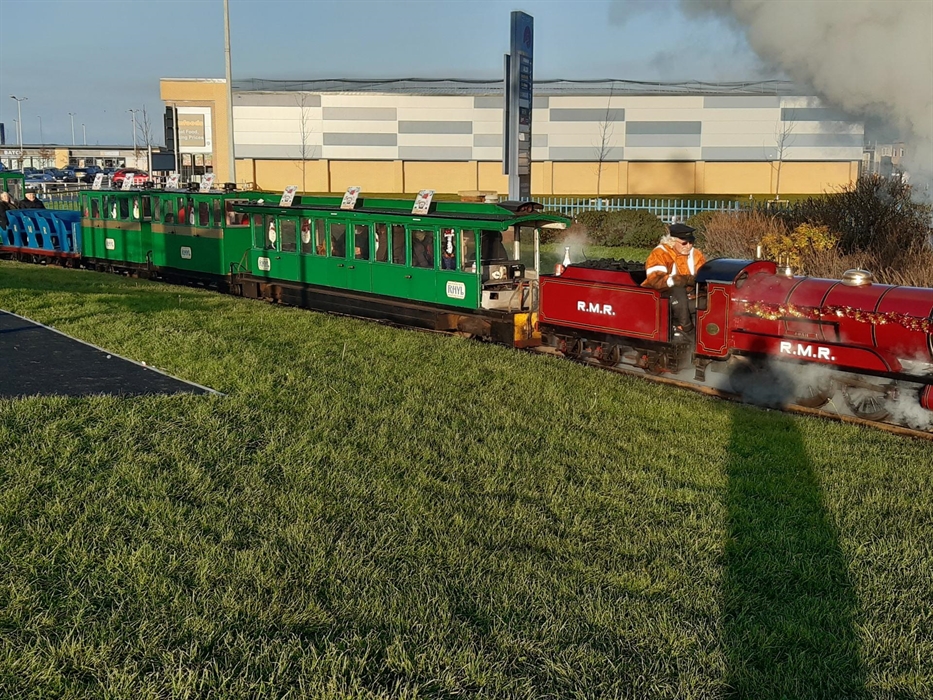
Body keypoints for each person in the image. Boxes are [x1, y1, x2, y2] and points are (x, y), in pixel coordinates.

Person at [641, 222, 707, 340]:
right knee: (678, 291)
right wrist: (680, 280)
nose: (688, 246)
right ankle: (687, 330)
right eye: (684, 243)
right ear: (672, 241)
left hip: (691, 296)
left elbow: (704, 275)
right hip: (661, 297)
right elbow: (655, 279)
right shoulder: (660, 253)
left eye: (691, 242)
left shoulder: (696, 254)